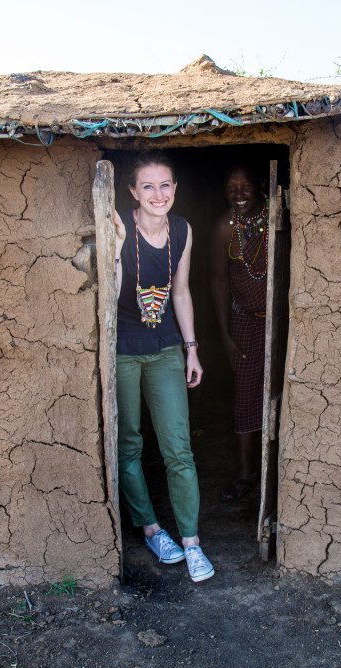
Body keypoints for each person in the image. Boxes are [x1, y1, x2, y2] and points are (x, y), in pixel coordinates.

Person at [112, 152, 214, 582]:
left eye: (165, 185)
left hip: (165, 347)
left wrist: (191, 349)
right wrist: (116, 246)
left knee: (178, 447)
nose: (159, 194)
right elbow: (110, 295)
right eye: (148, 186)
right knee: (130, 443)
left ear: (175, 188)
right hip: (122, 349)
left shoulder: (183, 230)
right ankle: (152, 529)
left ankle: (191, 542)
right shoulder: (118, 224)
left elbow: (182, 292)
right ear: (133, 192)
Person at [211, 164, 269, 502]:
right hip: (243, 321)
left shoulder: (277, 220)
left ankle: (279, 468)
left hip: (278, 320)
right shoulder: (223, 228)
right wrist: (225, 335)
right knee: (246, 395)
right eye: (231, 187)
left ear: (260, 186)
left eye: (245, 185)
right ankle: (246, 474)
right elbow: (218, 281)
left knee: (278, 391)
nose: (239, 194)